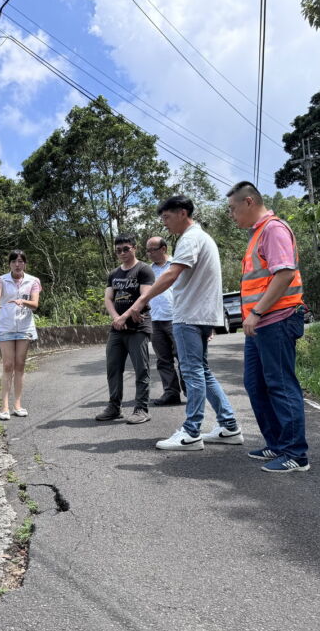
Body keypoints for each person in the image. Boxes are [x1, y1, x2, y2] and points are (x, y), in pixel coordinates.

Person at [127, 196, 242, 450]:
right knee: (202, 371)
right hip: (200, 315)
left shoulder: (190, 238)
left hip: (189, 316)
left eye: (167, 217)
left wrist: (141, 300)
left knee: (191, 373)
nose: (165, 223)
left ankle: (191, 432)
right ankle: (229, 426)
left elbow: (171, 273)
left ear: (182, 213)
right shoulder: (202, 237)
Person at [227, 181, 310, 473]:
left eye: (233, 208)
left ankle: (295, 454)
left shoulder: (273, 229)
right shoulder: (257, 234)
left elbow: (285, 274)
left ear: (249, 202)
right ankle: (277, 443)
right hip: (261, 325)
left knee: (281, 385)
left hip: (275, 319)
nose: (231, 215)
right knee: (255, 384)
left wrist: (257, 312)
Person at [96, 234, 155, 424]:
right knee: (113, 368)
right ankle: (114, 407)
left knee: (141, 369)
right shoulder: (114, 274)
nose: (122, 253)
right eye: (118, 250)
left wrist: (124, 316)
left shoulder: (143, 270)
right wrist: (116, 318)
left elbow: (144, 296)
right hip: (117, 329)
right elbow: (108, 298)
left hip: (138, 327)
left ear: (134, 248)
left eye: (126, 249)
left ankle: (141, 409)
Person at [0, 250, 42, 421]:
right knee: (7, 365)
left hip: (24, 327)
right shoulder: (1, 280)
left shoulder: (33, 281)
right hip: (6, 327)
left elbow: (35, 305)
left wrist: (22, 301)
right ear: (9, 264)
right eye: (14, 261)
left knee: (20, 365)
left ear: (25, 263)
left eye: (20, 261)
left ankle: (17, 405)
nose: (17, 264)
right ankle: (3, 406)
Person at [145, 236, 185, 406]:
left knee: (183, 357)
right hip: (155, 319)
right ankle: (171, 393)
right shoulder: (148, 271)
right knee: (163, 360)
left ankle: (192, 392)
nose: (149, 254)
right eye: (147, 251)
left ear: (163, 249)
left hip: (177, 318)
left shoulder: (178, 265)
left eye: (152, 250)